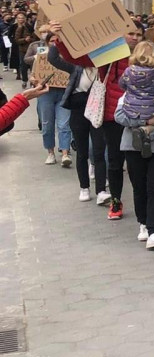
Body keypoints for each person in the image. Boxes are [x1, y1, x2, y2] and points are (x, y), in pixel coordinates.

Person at [50, 20, 139, 220]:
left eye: (138, 34)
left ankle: (143, 205)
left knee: (136, 165)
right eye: (130, 33)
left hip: (138, 116)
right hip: (112, 116)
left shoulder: (146, 55)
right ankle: (116, 201)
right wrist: (61, 39)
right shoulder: (109, 54)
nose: (134, 37)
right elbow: (78, 59)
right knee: (115, 162)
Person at [115, 84, 154, 249]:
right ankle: (143, 223)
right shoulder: (130, 94)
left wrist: (150, 132)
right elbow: (119, 116)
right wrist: (144, 122)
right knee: (139, 187)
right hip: (133, 146)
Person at [47, 44, 104, 202]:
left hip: (98, 112)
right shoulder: (76, 67)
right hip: (78, 111)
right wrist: (57, 40)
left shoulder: (104, 68)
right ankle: (84, 187)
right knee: (82, 151)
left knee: (99, 151)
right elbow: (53, 58)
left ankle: (101, 190)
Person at [24, 25, 73, 166]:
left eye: (58, 41)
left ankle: (65, 153)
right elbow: (33, 75)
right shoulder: (41, 56)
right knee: (47, 124)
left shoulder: (68, 57)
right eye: (52, 41)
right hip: (46, 94)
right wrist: (33, 80)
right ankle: (50, 152)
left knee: (64, 124)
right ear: (47, 43)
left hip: (64, 93)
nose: (54, 43)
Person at [119, 42, 154, 158]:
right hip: (150, 111)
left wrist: (131, 90)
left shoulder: (128, 71)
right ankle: (144, 132)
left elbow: (121, 84)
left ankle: (141, 137)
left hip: (131, 109)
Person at [13, 12, 36, 88]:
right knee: (23, 66)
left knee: (33, 66)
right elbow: (17, 40)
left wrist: (30, 39)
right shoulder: (18, 28)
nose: (21, 20)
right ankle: (24, 80)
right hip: (23, 50)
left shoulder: (30, 26)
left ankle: (33, 82)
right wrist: (24, 40)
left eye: (22, 18)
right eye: (19, 18)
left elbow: (35, 38)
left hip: (32, 49)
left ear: (25, 19)